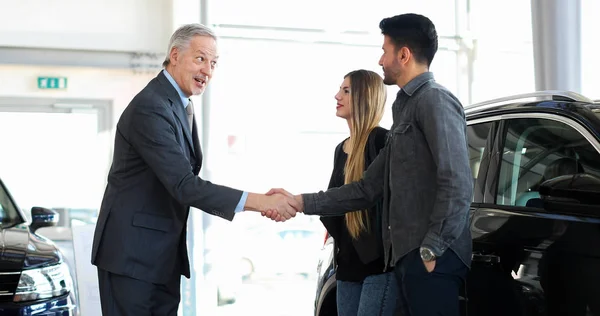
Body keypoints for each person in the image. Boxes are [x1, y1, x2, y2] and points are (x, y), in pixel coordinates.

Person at [266, 13, 473, 316]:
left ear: (403, 55)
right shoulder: (405, 108)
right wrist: (298, 201)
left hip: (431, 259)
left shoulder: (435, 101)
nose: (380, 60)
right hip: (408, 260)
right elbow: (366, 188)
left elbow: (457, 182)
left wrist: (431, 249)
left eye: (385, 51)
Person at [90, 23, 299, 316]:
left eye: (213, 63)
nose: (208, 71)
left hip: (160, 256)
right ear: (174, 56)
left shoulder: (178, 103)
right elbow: (184, 185)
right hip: (133, 259)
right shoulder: (150, 107)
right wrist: (261, 202)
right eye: (200, 59)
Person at [321, 69, 397, 315]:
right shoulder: (339, 149)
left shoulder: (383, 141)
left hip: (378, 266)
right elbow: (335, 203)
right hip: (347, 266)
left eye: (345, 91)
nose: (336, 96)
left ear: (364, 97)